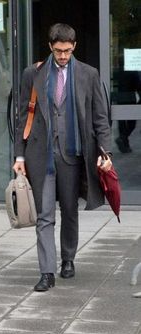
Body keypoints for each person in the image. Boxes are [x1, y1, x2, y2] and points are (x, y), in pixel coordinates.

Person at [13, 23, 113, 292]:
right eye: (58, 51)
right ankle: (47, 272)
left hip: (73, 155)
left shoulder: (88, 74)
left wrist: (105, 152)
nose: (63, 56)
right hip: (40, 155)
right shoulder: (33, 74)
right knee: (44, 215)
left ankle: (68, 258)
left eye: (68, 51)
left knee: (70, 210)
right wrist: (19, 156)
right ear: (50, 47)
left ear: (74, 46)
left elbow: (100, 118)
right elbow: (22, 117)